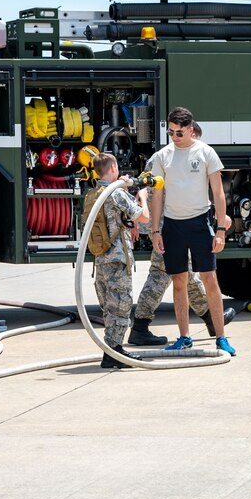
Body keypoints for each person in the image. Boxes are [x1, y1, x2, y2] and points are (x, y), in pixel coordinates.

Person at [129, 122, 235, 346]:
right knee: (164, 275)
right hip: (166, 224)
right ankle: (140, 324)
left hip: (181, 223)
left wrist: (218, 220)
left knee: (188, 277)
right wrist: (150, 224)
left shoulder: (199, 153)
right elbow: (146, 188)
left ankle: (211, 321)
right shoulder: (163, 157)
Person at [90, 152, 151, 369]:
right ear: (114, 168)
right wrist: (142, 196)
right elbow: (144, 218)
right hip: (117, 259)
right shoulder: (115, 193)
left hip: (100, 260)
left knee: (110, 307)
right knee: (121, 306)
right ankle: (114, 353)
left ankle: (112, 350)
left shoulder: (95, 192)